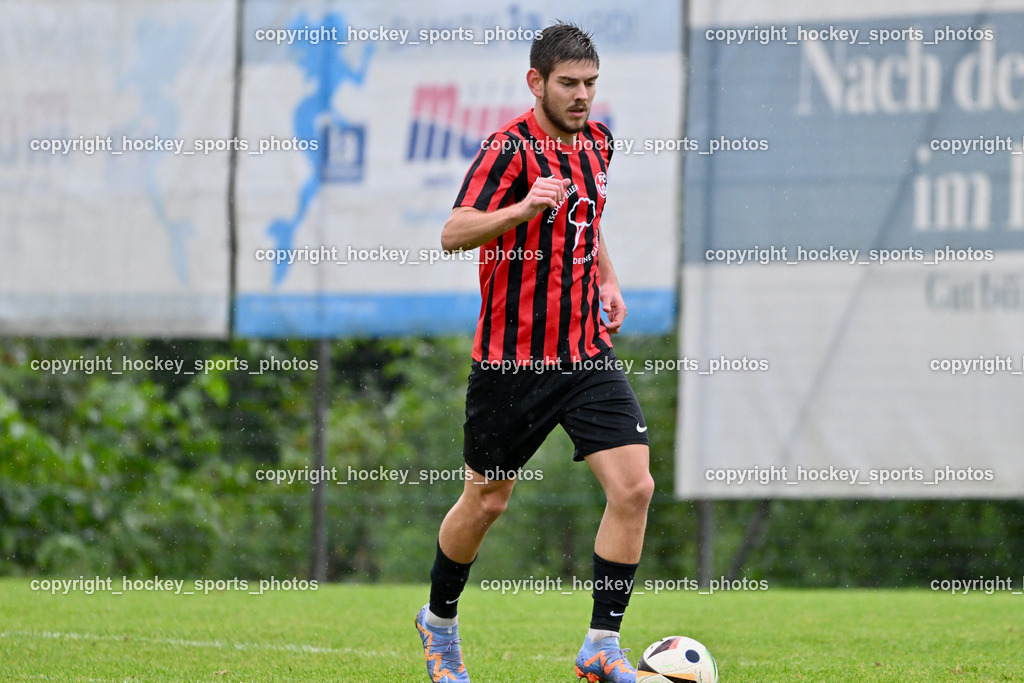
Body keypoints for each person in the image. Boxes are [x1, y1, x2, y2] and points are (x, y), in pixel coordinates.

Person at [414, 22, 654, 683]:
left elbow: (587, 218)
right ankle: (438, 621)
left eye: (590, 84)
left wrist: (605, 274)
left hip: (584, 353)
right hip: (511, 362)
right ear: (536, 82)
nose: (582, 96)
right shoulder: (509, 149)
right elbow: (452, 232)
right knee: (487, 501)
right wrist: (521, 209)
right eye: (568, 84)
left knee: (634, 486)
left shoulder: (599, 142)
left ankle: (602, 644)